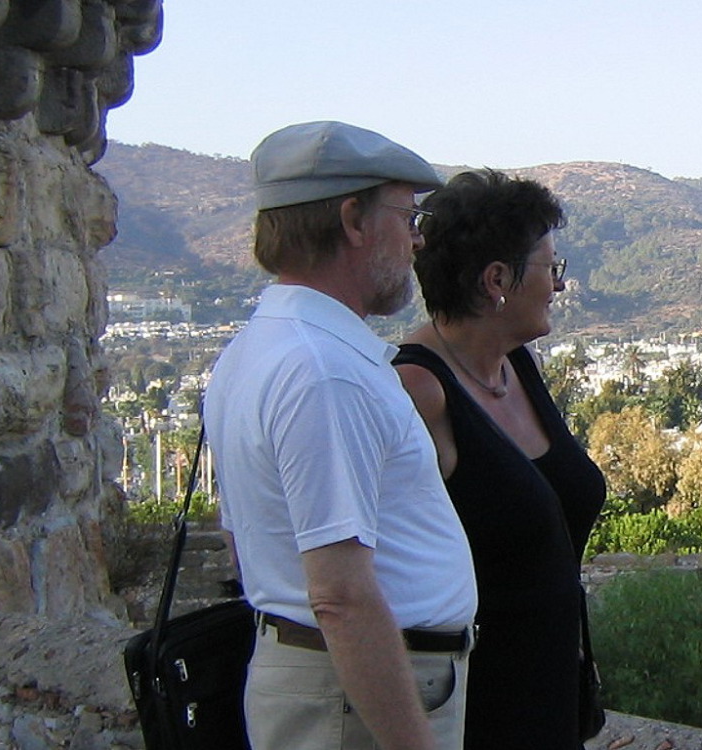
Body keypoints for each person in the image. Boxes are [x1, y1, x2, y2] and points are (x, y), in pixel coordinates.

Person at [204, 121, 477, 750]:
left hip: (336, 683)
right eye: (408, 218)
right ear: (354, 220)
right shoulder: (324, 371)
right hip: (355, 696)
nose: (416, 241)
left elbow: (242, 543)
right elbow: (340, 596)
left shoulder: (257, 349)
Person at [392, 169, 608, 749]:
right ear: (496, 280)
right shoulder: (418, 390)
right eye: (550, 268)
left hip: (552, 690)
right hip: (475, 703)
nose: (559, 285)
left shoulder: (519, 368)